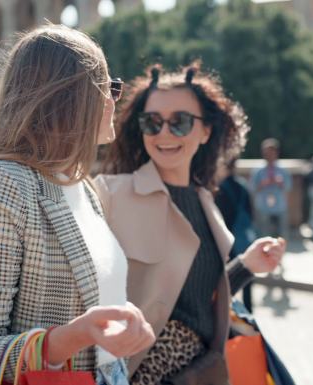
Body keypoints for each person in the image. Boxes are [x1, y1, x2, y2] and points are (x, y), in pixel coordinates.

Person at [0, 25, 154, 385]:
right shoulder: (0, 185)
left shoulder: (81, 185)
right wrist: (70, 338)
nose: (115, 100)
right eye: (109, 87)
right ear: (72, 97)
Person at [96, 64, 285, 384]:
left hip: (201, 373)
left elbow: (195, 299)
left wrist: (246, 266)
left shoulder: (207, 202)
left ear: (206, 130)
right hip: (139, 374)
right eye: (152, 123)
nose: (164, 133)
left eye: (179, 122)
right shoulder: (110, 194)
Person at [215, 157, 257, 312]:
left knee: (229, 277)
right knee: (246, 270)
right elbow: (251, 211)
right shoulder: (242, 185)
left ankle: (227, 309)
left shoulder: (220, 189)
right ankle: (248, 308)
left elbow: (221, 217)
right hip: (243, 235)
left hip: (227, 237)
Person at [250, 138, 292, 239]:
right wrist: (262, 184)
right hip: (263, 206)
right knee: (263, 234)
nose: (268, 155)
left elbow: (288, 187)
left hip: (279, 205)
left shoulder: (283, 170)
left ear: (276, 153)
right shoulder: (258, 170)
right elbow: (251, 188)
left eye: (271, 153)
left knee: (282, 234)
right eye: (266, 153)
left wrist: (280, 183)